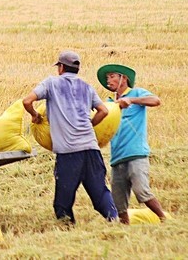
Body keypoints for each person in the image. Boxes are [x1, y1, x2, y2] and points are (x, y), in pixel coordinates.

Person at [23, 51, 118, 224]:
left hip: (69, 153)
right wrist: (90, 124)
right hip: (91, 148)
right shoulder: (86, 87)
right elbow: (103, 111)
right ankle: (114, 219)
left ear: (61, 68)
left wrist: (35, 115)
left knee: (63, 202)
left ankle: (67, 229)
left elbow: (27, 101)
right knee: (100, 192)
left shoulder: (51, 83)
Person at [97, 64, 166, 224]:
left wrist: (131, 100)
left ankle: (164, 220)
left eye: (112, 76)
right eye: (107, 78)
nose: (109, 80)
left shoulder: (137, 93)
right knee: (118, 203)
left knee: (142, 191)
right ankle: (124, 231)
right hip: (117, 157)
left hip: (136, 153)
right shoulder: (107, 103)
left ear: (124, 78)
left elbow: (156, 100)